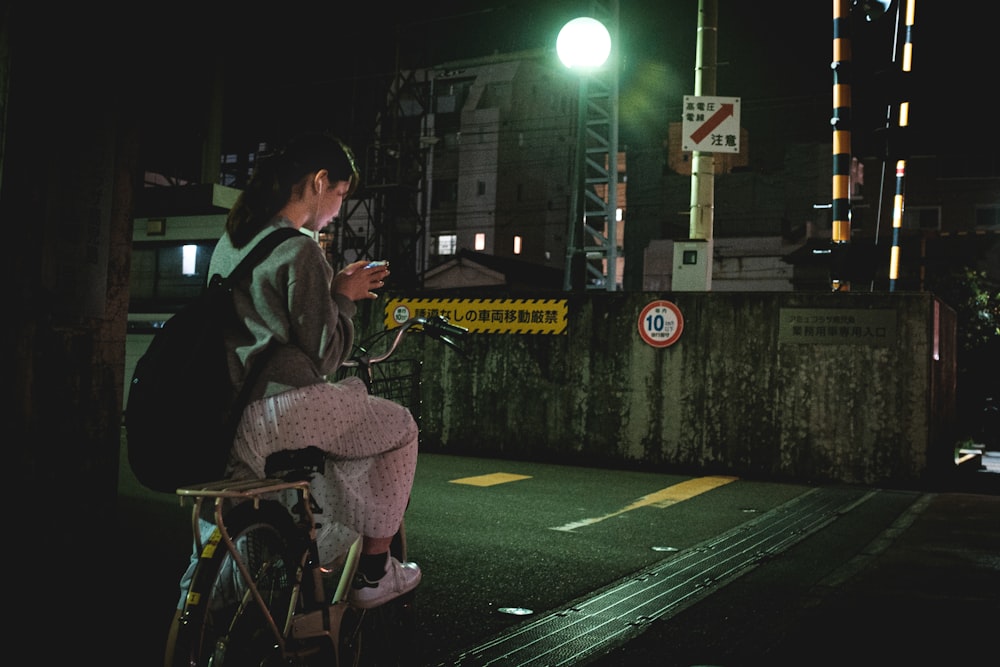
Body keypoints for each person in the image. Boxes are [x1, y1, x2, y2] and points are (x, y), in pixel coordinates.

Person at [165, 133, 420, 664]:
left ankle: (230, 612)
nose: (336, 210)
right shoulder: (300, 248)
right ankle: (374, 572)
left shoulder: (233, 243)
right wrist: (343, 299)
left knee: (282, 503)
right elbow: (326, 354)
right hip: (284, 410)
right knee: (399, 426)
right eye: (341, 195)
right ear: (319, 183)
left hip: (232, 414)